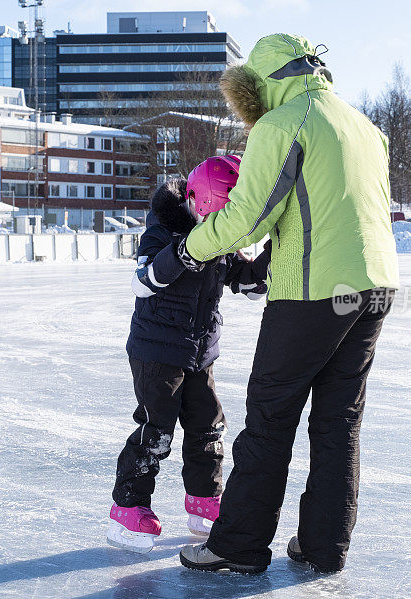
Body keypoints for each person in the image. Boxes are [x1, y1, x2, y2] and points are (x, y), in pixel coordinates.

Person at [178, 33, 400, 574]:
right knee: (337, 423)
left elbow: (248, 219)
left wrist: (189, 249)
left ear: (259, 82)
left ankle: (237, 545)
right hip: (373, 290)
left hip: (311, 296)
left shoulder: (282, 125)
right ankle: (325, 546)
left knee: (270, 419)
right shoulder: (365, 126)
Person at [108, 158, 271, 554]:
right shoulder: (162, 230)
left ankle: (203, 501)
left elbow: (248, 286)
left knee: (207, 427)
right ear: (198, 199)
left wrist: (271, 254)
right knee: (156, 430)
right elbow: (143, 282)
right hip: (156, 351)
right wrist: (182, 253)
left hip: (199, 353)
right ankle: (127, 509)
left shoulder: (220, 235)